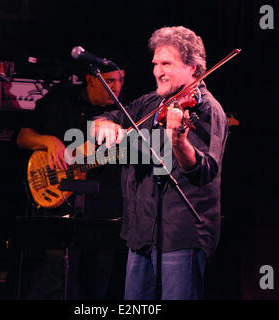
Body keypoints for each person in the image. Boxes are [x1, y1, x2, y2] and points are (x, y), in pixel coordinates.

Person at [90, 26, 229, 300]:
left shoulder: (206, 109)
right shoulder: (151, 102)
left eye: (166, 64)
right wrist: (103, 126)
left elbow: (203, 170)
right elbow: (106, 117)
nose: (157, 71)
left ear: (192, 68)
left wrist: (178, 142)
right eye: (155, 64)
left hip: (182, 234)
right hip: (141, 233)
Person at [16, 54, 127, 300]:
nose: (116, 87)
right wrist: (47, 140)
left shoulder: (122, 113)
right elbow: (22, 137)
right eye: (109, 81)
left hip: (102, 207)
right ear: (90, 80)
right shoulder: (58, 99)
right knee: (54, 275)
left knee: (98, 277)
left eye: (120, 80)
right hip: (57, 199)